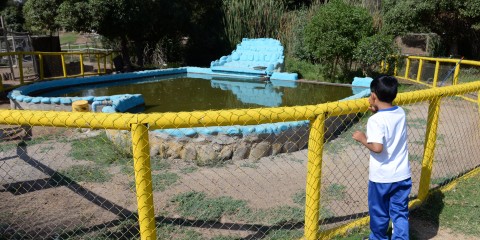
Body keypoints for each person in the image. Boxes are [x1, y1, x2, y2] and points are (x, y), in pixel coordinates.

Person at [352, 75, 411, 240]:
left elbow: (377, 148)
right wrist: (378, 109)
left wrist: (362, 138)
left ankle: (378, 238)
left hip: (382, 178)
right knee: (400, 212)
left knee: (379, 212)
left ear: (373, 96)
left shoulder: (375, 121)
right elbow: (389, 119)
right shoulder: (400, 112)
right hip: (402, 176)